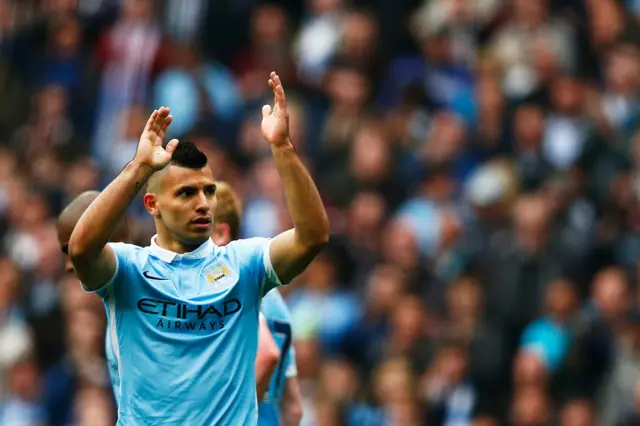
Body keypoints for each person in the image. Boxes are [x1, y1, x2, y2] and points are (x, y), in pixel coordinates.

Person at [67, 72, 329, 425]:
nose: (204, 203)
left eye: (208, 191)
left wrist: (281, 148)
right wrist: (138, 169)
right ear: (152, 204)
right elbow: (80, 249)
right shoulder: (127, 270)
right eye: (187, 193)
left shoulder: (245, 264)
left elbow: (312, 236)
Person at [212, 181, 303, 426]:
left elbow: (266, 354)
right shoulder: (278, 305)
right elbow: (294, 408)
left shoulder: (229, 290)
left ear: (220, 233)